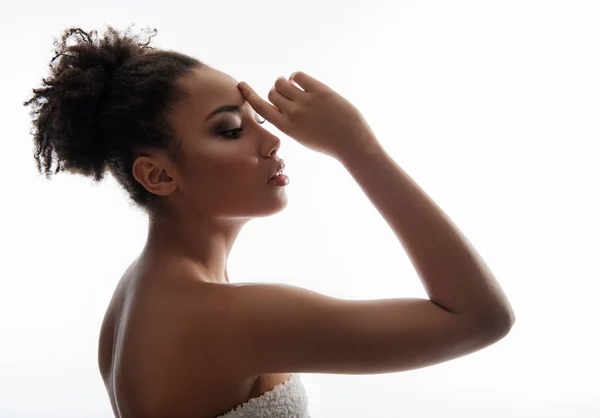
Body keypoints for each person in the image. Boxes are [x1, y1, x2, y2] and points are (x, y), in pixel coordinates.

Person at [23, 26, 515, 418]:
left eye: (257, 118)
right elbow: (480, 318)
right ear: (157, 174)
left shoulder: (140, 289)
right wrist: (359, 148)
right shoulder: (224, 318)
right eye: (231, 129)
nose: (272, 140)